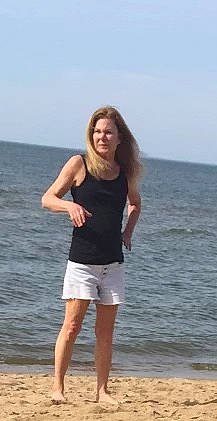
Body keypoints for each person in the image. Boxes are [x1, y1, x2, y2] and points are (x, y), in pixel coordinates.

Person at [41, 107, 142, 405]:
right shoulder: (78, 164)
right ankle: (57, 388)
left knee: (105, 333)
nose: (103, 137)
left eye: (109, 132)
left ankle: (102, 392)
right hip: (82, 261)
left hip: (112, 264)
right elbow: (48, 199)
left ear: (119, 138)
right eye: (98, 131)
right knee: (71, 326)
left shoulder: (125, 174)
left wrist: (127, 233)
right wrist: (68, 207)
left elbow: (135, 204)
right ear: (91, 135)